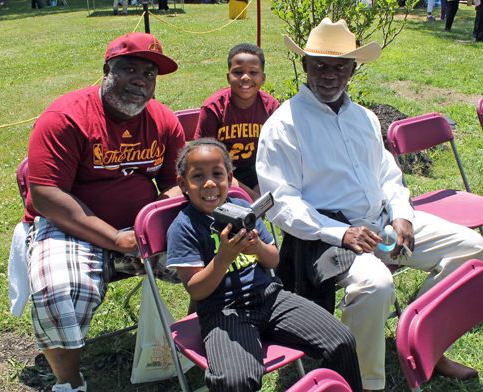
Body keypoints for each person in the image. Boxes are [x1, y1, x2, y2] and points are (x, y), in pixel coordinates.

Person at [256, 18, 483, 392]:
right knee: (374, 286)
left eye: (341, 66)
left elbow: (389, 175)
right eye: (320, 65)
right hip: (326, 238)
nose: (330, 75)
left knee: (472, 249)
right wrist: (341, 233)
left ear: (353, 68)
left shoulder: (364, 117)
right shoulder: (284, 125)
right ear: (305, 65)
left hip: (384, 225)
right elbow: (283, 203)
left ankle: (426, 340)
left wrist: (402, 216)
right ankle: (364, 382)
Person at [24, 33, 185, 392]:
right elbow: (47, 194)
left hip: (141, 229)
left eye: (150, 73)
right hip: (71, 227)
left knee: (214, 256)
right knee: (59, 289)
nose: (141, 80)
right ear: (106, 70)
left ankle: (214, 343)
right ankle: (70, 382)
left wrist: (153, 224)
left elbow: (177, 182)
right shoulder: (65, 117)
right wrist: (113, 238)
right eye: (129, 69)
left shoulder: (163, 120)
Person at [166, 138, 364, 392]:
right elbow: (197, 290)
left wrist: (258, 248)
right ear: (183, 184)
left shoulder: (242, 209)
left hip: (270, 298)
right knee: (235, 381)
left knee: (342, 340)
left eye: (217, 174)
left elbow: (274, 259)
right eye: (198, 176)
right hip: (223, 311)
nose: (209, 183)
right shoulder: (184, 227)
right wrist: (223, 258)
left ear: (229, 177)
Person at [194, 43, 279, 201]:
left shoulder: (271, 107)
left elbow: (278, 155)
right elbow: (205, 160)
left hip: (260, 170)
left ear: (263, 78)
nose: (245, 77)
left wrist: (261, 187)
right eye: (238, 72)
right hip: (222, 172)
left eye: (253, 72)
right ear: (228, 77)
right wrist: (251, 195)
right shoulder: (213, 108)